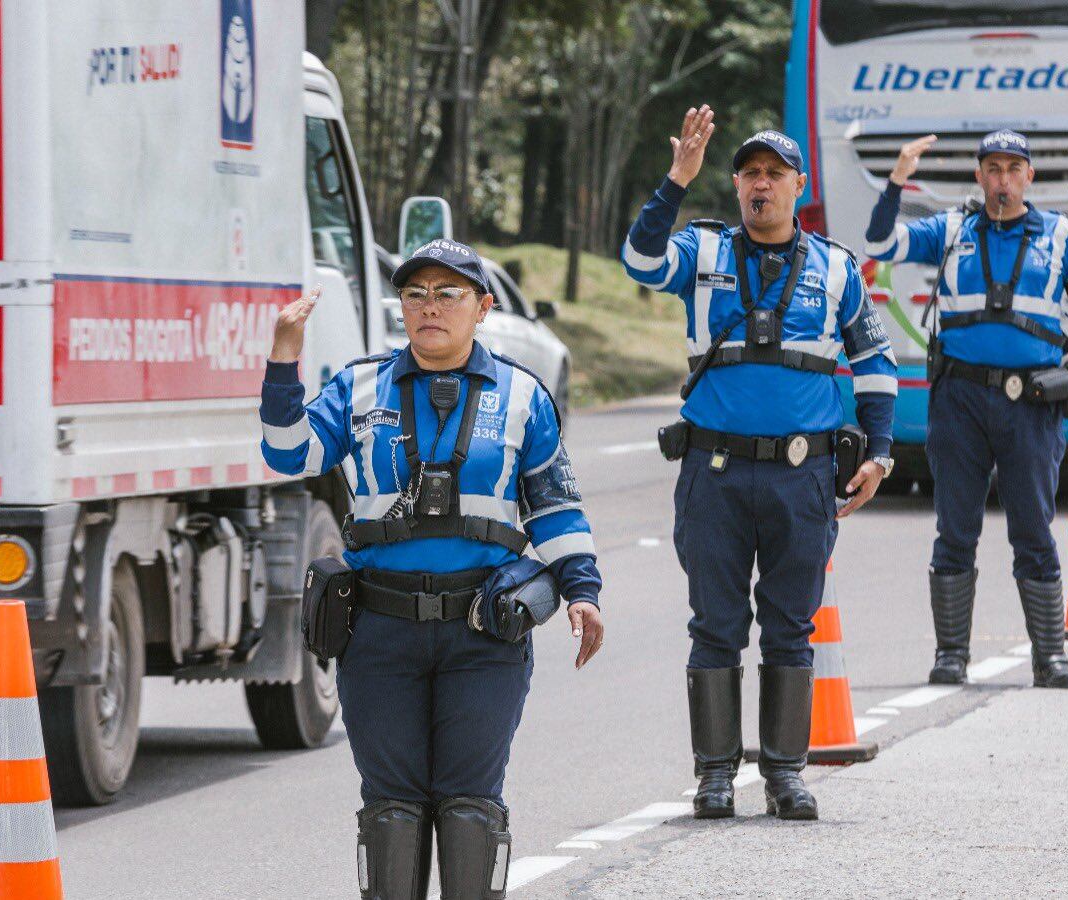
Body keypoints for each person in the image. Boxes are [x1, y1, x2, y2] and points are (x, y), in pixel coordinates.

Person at [260, 239, 604, 900]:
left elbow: (556, 508)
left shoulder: (524, 396)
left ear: (483, 307)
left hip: (483, 635)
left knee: (470, 804)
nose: (430, 307)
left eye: (448, 294)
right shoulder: (358, 389)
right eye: (415, 293)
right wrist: (284, 357)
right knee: (391, 808)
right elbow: (286, 452)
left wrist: (583, 590)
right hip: (380, 634)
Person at [620, 106, 898, 821]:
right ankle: (715, 777)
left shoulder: (836, 268)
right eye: (749, 173)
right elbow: (640, 262)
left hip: (802, 478)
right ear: (737, 185)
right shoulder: (703, 253)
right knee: (714, 624)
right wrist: (676, 181)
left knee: (789, 626)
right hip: (712, 475)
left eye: (775, 173)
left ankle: (783, 775)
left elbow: (875, 364)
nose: (760, 185)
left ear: (798, 185)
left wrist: (882, 453)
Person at [863, 130, 1068, 690]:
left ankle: (1051, 659)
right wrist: (898, 177)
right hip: (959, 400)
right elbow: (879, 243)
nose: (1002, 180)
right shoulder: (952, 230)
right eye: (992, 169)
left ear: (1030, 176)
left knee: (1034, 531)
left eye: (1012, 169)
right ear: (979, 176)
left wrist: (1051, 351)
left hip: (1031, 405)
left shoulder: (1060, 234)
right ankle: (951, 655)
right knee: (955, 529)